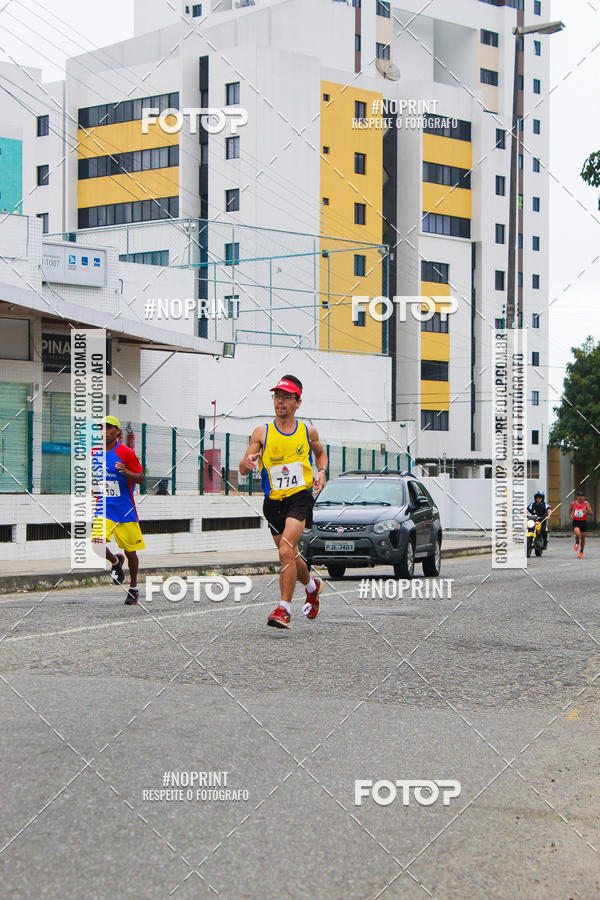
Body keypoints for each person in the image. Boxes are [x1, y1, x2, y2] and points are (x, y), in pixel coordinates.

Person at [239, 376, 328, 629]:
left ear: (298, 402)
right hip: (273, 502)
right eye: (277, 397)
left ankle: (283, 609)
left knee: (285, 550)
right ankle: (312, 587)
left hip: (299, 498)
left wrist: (322, 472)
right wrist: (246, 464)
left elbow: (320, 454)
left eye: (286, 397)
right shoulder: (261, 433)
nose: (280, 401)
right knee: (292, 555)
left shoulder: (307, 431)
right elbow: (244, 468)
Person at [91, 415, 145, 604]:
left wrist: (126, 471)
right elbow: (100, 476)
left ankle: (134, 588)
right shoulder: (95, 452)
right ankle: (115, 561)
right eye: (102, 428)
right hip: (104, 507)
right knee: (96, 544)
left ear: (117, 432)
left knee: (131, 552)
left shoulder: (126, 453)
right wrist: (96, 488)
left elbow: (141, 478)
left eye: (109, 428)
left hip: (125, 509)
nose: (104, 431)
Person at [569, 490, 593, 558]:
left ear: (584, 497)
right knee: (577, 534)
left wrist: (586, 511)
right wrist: (571, 515)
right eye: (579, 496)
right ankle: (577, 542)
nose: (580, 497)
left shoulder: (586, 504)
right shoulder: (573, 503)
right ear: (577, 497)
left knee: (583, 537)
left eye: (581, 496)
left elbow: (591, 512)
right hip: (576, 521)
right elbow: (570, 510)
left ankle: (581, 551)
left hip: (583, 521)